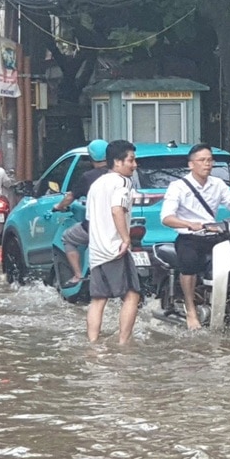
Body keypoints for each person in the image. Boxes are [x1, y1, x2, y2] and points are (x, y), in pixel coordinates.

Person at [160, 143, 230, 330]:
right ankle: (191, 310)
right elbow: (167, 217)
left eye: (210, 160)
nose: (207, 164)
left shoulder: (218, 184)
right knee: (190, 264)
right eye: (202, 160)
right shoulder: (178, 187)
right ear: (191, 164)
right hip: (190, 238)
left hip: (214, 236)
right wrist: (189, 224)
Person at [86, 140, 140, 345]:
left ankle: (92, 344)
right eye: (131, 160)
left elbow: (90, 218)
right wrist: (126, 239)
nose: (134, 165)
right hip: (115, 249)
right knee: (132, 295)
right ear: (117, 162)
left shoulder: (97, 184)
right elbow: (117, 209)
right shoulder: (122, 182)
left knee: (98, 300)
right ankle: (123, 343)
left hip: (97, 251)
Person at [53, 139, 111, 286]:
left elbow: (70, 197)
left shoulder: (88, 177)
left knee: (68, 238)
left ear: (91, 158)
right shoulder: (118, 176)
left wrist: (58, 207)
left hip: (95, 227)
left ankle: (78, 275)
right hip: (119, 227)